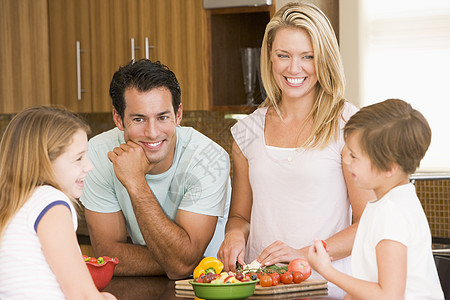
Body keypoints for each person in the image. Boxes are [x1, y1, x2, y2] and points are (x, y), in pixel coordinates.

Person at [218, 2, 374, 296]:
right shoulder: (247, 131)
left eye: (307, 56)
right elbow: (240, 215)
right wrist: (234, 235)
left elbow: (368, 223)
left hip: (325, 289)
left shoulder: (347, 125)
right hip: (262, 288)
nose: (294, 68)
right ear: (270, 57)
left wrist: (301, 254)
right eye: (283, 55)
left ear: (324, 59)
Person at [80, 59, 231, 279]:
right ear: (118, 119)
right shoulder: (98, 154)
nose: (152, 132)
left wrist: (135, 182)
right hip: (141, 288)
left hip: (205, 288)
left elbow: (183, 267)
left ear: (178, 114)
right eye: (139, 119)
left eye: (162, 117)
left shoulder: (208, 159)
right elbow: (108, 254)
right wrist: (179, 259)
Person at [308, 99, 444, 299]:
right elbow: (371, 284)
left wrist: (327, 271)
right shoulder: (390, 203)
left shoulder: (391, 214)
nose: (345, 160)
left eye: (354, 156)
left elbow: (389, 296)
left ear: (389, 167)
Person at [0, 106, 116, 299]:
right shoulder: (51, 202)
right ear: (44, 162)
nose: (89, 166)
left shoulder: (14, 204)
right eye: (78, 158)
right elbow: (82, 296)